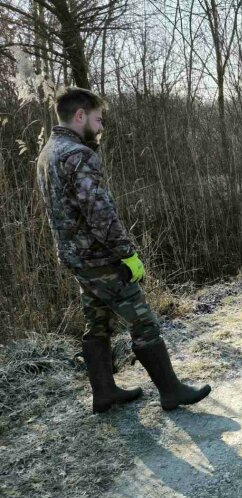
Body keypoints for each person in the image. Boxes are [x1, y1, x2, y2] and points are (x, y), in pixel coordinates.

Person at [36, 87, 211, 413]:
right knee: (142, 321)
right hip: (102, 259)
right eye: (98, 120)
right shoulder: (79, 155)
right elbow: (100, 213)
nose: (101, 127)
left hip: (76, 259)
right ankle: (170, 391)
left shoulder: (47, 154)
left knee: (97, 322)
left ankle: (104, 393)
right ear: (80, 116)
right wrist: (127, 254)